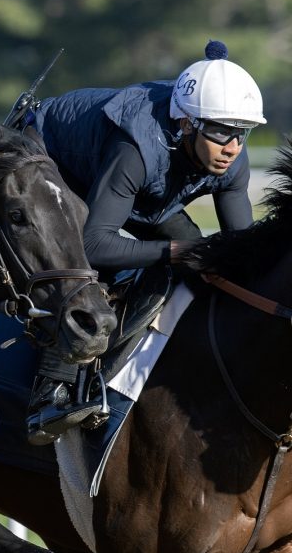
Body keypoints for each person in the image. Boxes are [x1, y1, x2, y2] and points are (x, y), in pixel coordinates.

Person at [23, 39, 266, 445]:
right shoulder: (134, 148)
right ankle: (50, 395)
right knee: (91, 271)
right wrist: (173, 253)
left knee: (200, 253)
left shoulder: (230, 158)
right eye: (222, 132)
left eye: (242, 133)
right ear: (188, 123)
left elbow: (242, 251)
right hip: (56, 164)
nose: (233, 147)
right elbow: (95, 244)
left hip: (143, 187)